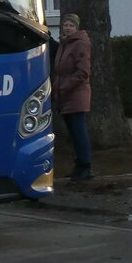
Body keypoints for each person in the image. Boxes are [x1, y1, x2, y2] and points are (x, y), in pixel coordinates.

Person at [53, 12, 93, 181]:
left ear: (77, 28)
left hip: (76, 95)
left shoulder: (80, 44)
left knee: (79, 132)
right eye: (66, 25)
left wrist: (64, 86)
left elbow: (83, 72)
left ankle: (86, 166)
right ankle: (79, 166)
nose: (68, 28)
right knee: (74, 134)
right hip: (65, 96)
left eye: (71, 25)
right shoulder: (64, 44)